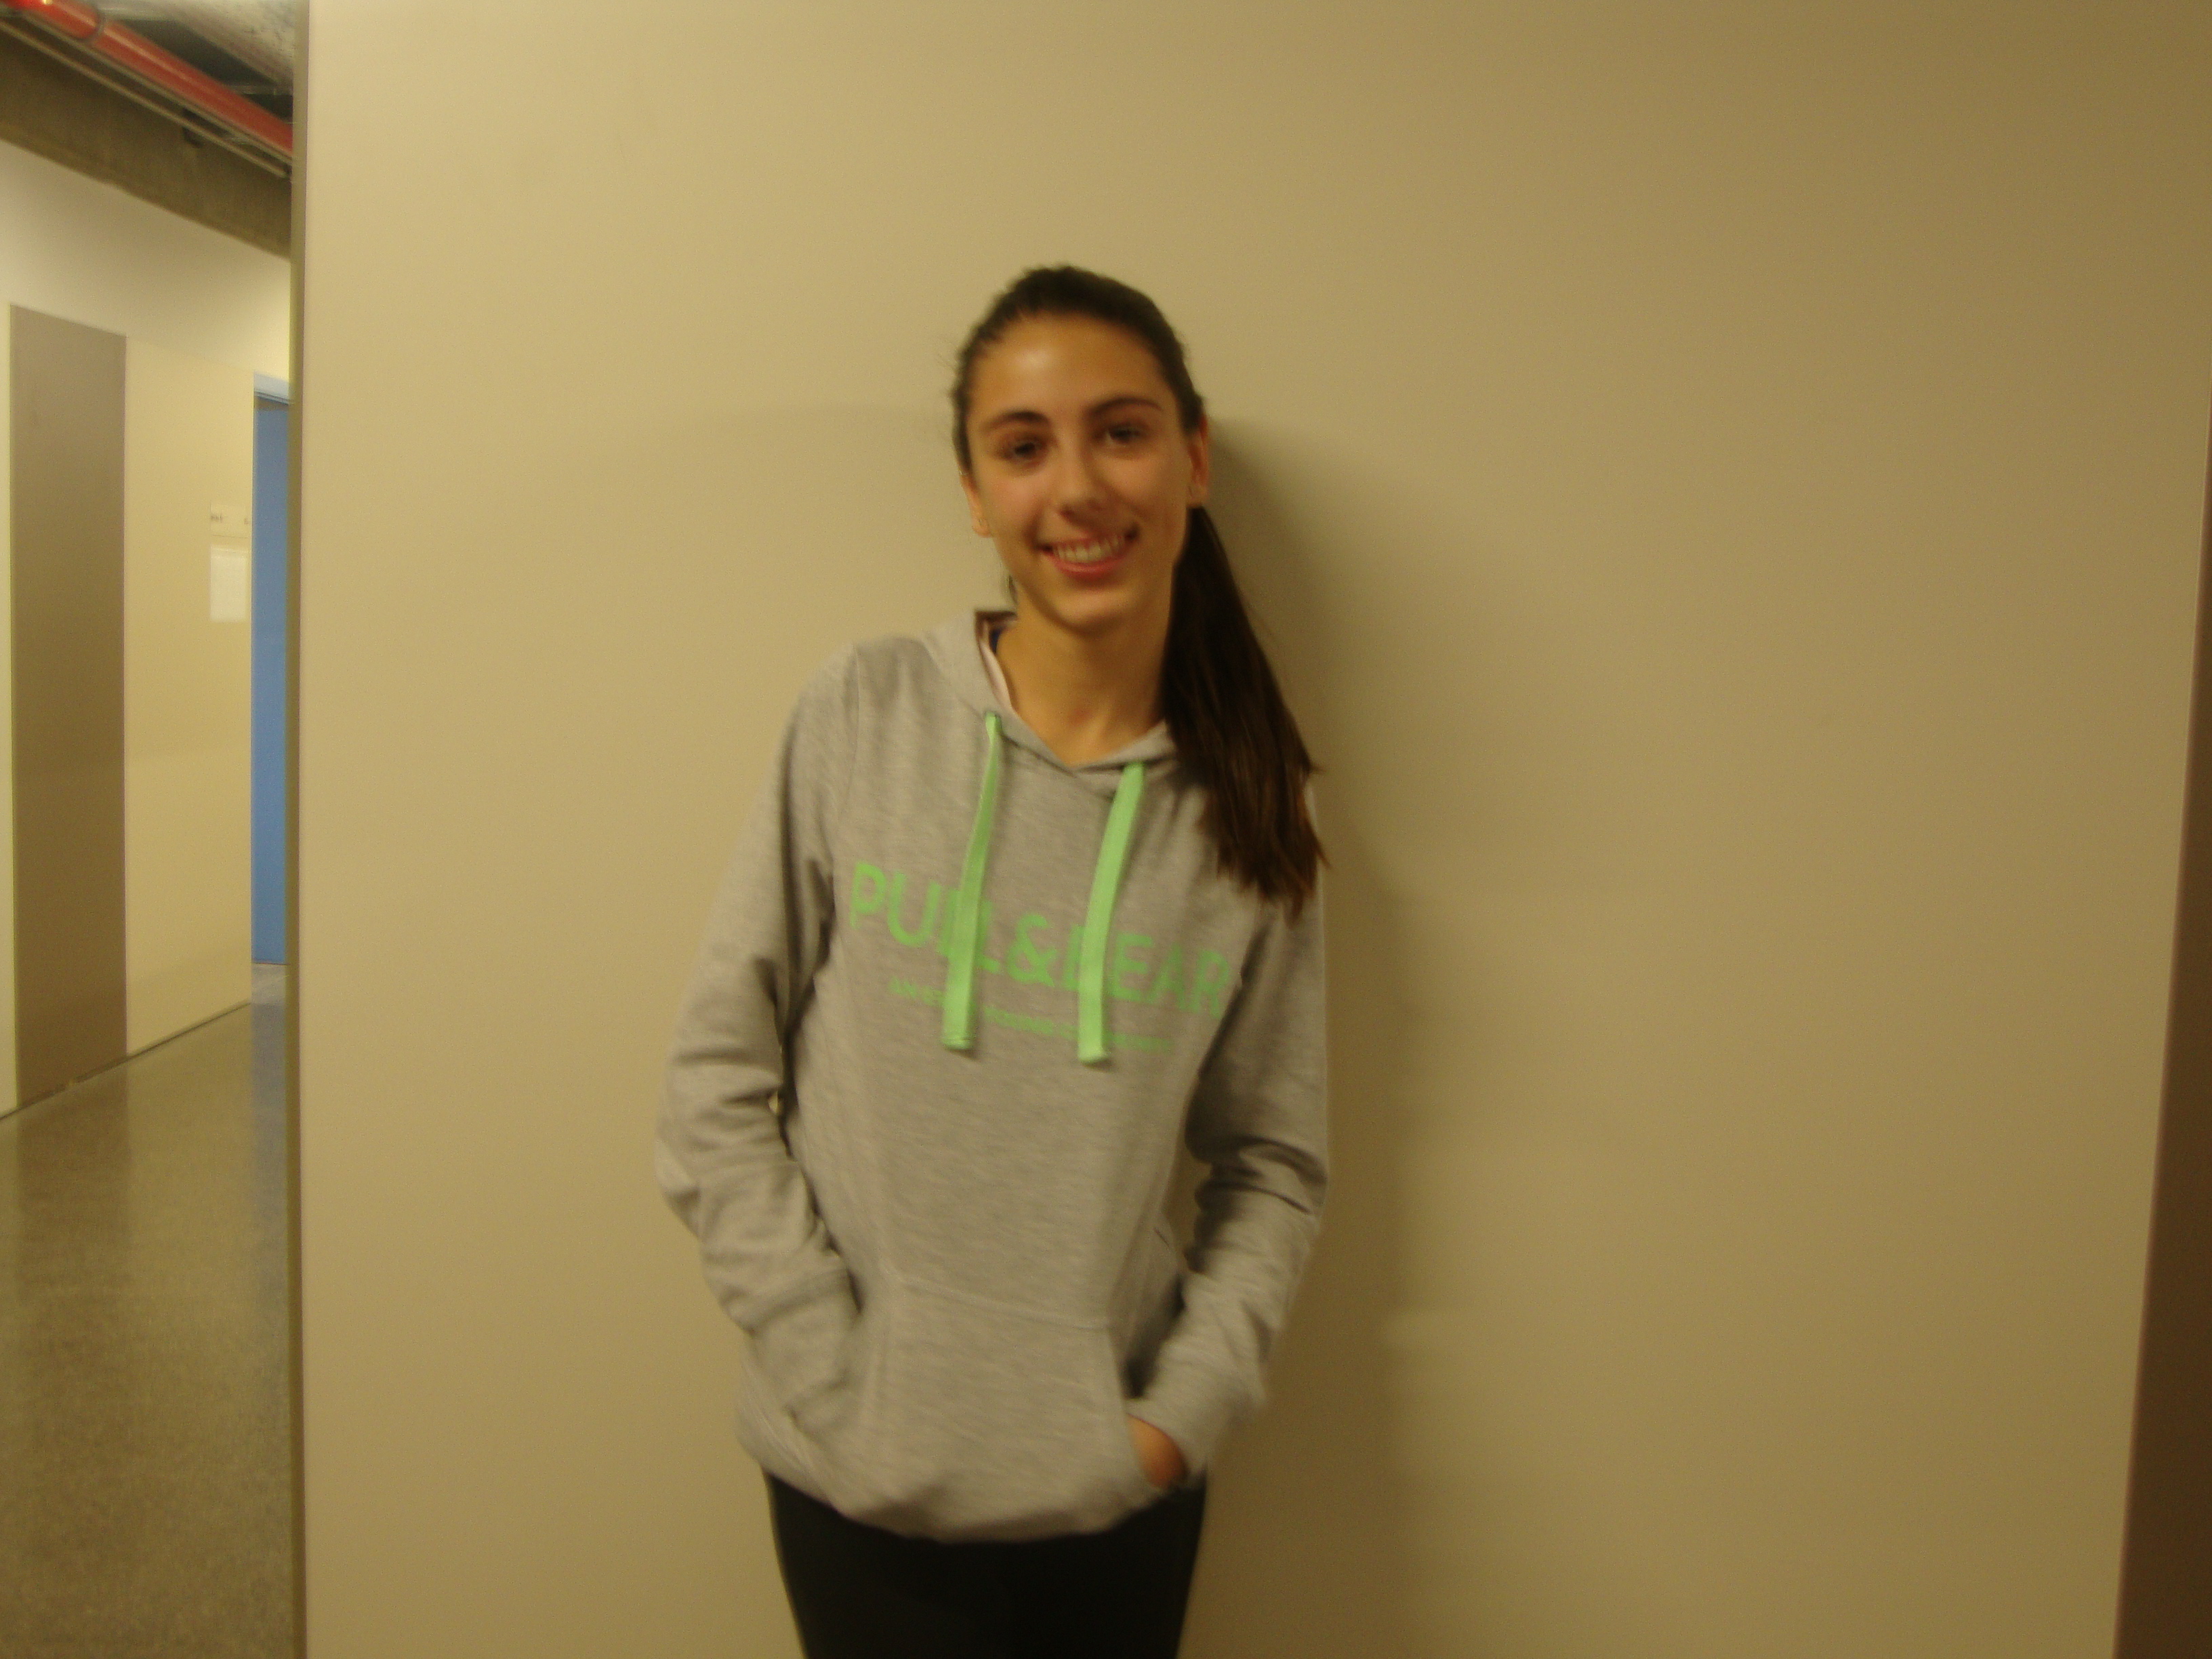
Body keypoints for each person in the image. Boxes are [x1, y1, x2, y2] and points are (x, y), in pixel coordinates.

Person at [656, 266, 1329, 1658]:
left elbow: (1274, 1160)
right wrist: (833, 1377)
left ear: (1193, 461)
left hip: (1116, 1494)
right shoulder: (865, 712)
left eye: (1122, 432)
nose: (1077, 488)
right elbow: (715, 1080)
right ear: (975, 492)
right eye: (1023, 447)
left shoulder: (1251, 804)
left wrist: (1174, 1421)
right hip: (853, 1482)